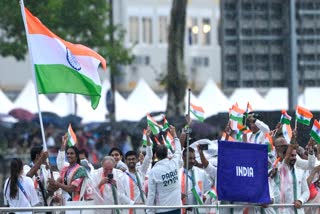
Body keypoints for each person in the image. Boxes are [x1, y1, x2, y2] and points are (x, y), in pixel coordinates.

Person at [147, 126, 182, 214]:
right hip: (177, 208)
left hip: (162, 210)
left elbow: (151, 194)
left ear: (155, 155)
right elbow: (178, 150)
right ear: (167, 154)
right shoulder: (174, 163)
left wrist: (148, 211)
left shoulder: (153, 172)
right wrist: (174, 135)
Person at [119, 126, 153, 213]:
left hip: (142, 208)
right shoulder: (121, 176)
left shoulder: (141, 171)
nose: (131, 161)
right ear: (125, 161)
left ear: (137, 160)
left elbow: (149, 156)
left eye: (133, 159)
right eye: (129, 159)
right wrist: (133, 204)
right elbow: (121, 195)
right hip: (130, 209)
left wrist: (148, 137)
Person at [278, 144, 310, 214]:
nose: (294, 158)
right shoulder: (280, 170)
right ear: (284, 156)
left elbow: (306, 192)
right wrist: (292, 142)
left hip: (299, 211)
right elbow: (285, 160)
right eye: (292, 155)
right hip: (284, 211)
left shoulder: (300, 171)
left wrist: (300, 200)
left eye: (295, 155)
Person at [180, 147, 211, 214]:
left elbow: (210, 191)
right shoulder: (177, 175)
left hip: (199, 210)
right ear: (183, 158)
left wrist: (206, 196)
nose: (193, 161)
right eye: (190, 158)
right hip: (183, 210)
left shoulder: (201, 172)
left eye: (194, 158)